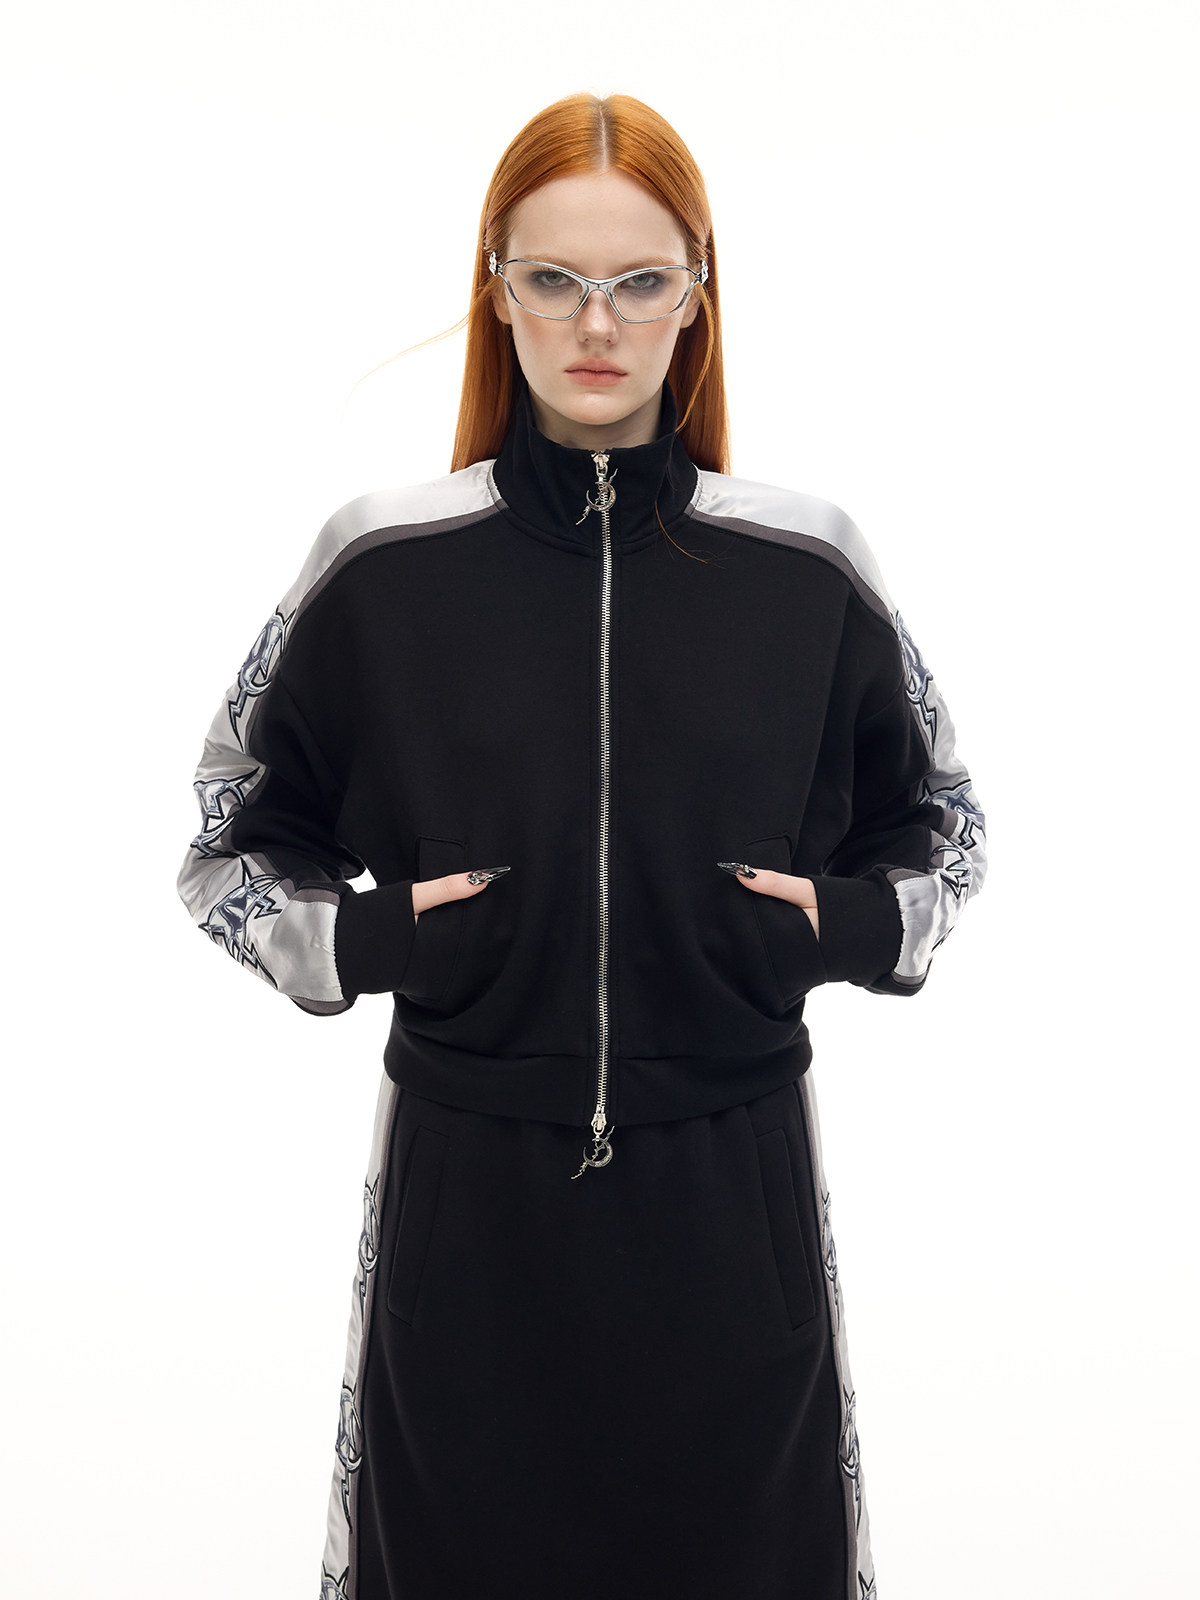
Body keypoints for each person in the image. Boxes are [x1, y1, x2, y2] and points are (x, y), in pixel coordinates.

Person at [178, 91, 985, 1600]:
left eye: (639, 280)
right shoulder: (384, 563)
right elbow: (229, 840)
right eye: (552, 277)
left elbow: (944, 824)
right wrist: (370, 940)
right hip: (468, 1211)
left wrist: (851, 926)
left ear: (698, 293)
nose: (595, 322)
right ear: (497, 289)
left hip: (730, 1202)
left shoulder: (804, 564)